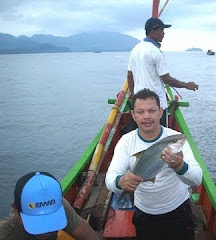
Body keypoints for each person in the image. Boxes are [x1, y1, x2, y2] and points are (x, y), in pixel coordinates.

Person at [105, 89, 202, 240]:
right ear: (133, 115)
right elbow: (110, 179)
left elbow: (197, 179)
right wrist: (121, 182)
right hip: (145, 214)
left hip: (178, 211)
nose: (147, 116)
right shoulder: (126, 142)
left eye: (152, 110)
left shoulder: (174, 138)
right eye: (140, 112)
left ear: (160, 112)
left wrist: (180, 167)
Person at [127, 17, 199, 126]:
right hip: (156, 104)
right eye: (161, 30)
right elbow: (166, 79)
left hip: (140, 104)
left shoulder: (135, 50)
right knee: (159, 135)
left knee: (142, 133)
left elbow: (130, 75)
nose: (163, 33)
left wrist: (134, 96)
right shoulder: (155, 52)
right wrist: (186, 85)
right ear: (153, 32)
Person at [0, 171, 101, 240]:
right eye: (37, 222)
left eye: (51, 219)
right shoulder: (5, 234)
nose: (45, 232)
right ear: (15, 209)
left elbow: (88, 235)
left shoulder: (58, 205)